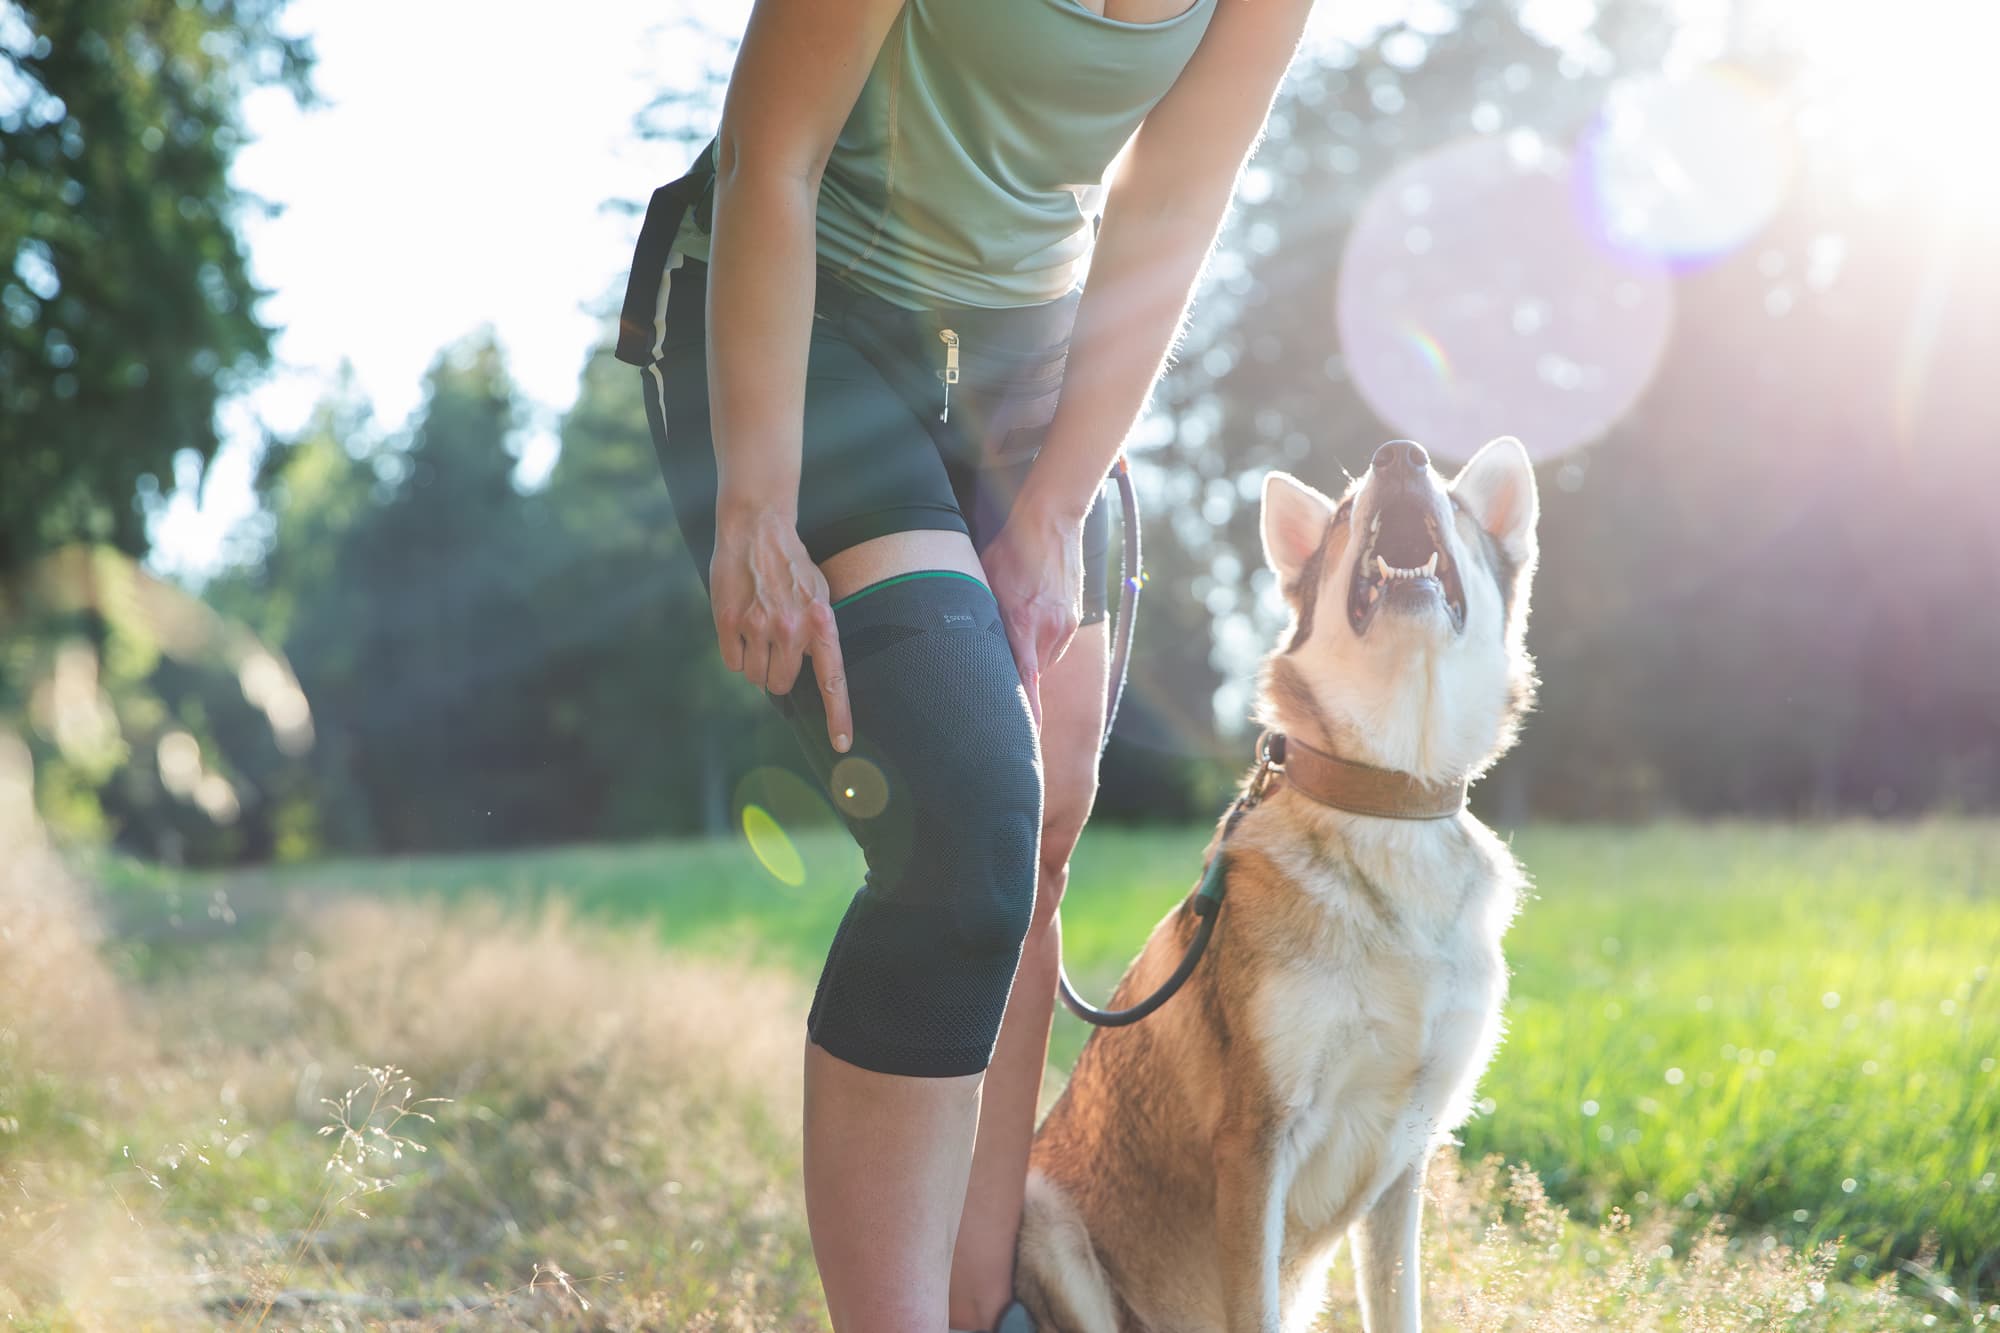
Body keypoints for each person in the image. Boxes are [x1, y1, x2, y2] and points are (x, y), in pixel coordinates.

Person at [615, 0, 1313, 1327]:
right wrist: (755, 502)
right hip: (816, 308)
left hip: (1027, 356)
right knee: (963, 824)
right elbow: (774, 150)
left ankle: (981, 1299)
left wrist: (1052, 506)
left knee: (1040, 828)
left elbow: (1168, 212)